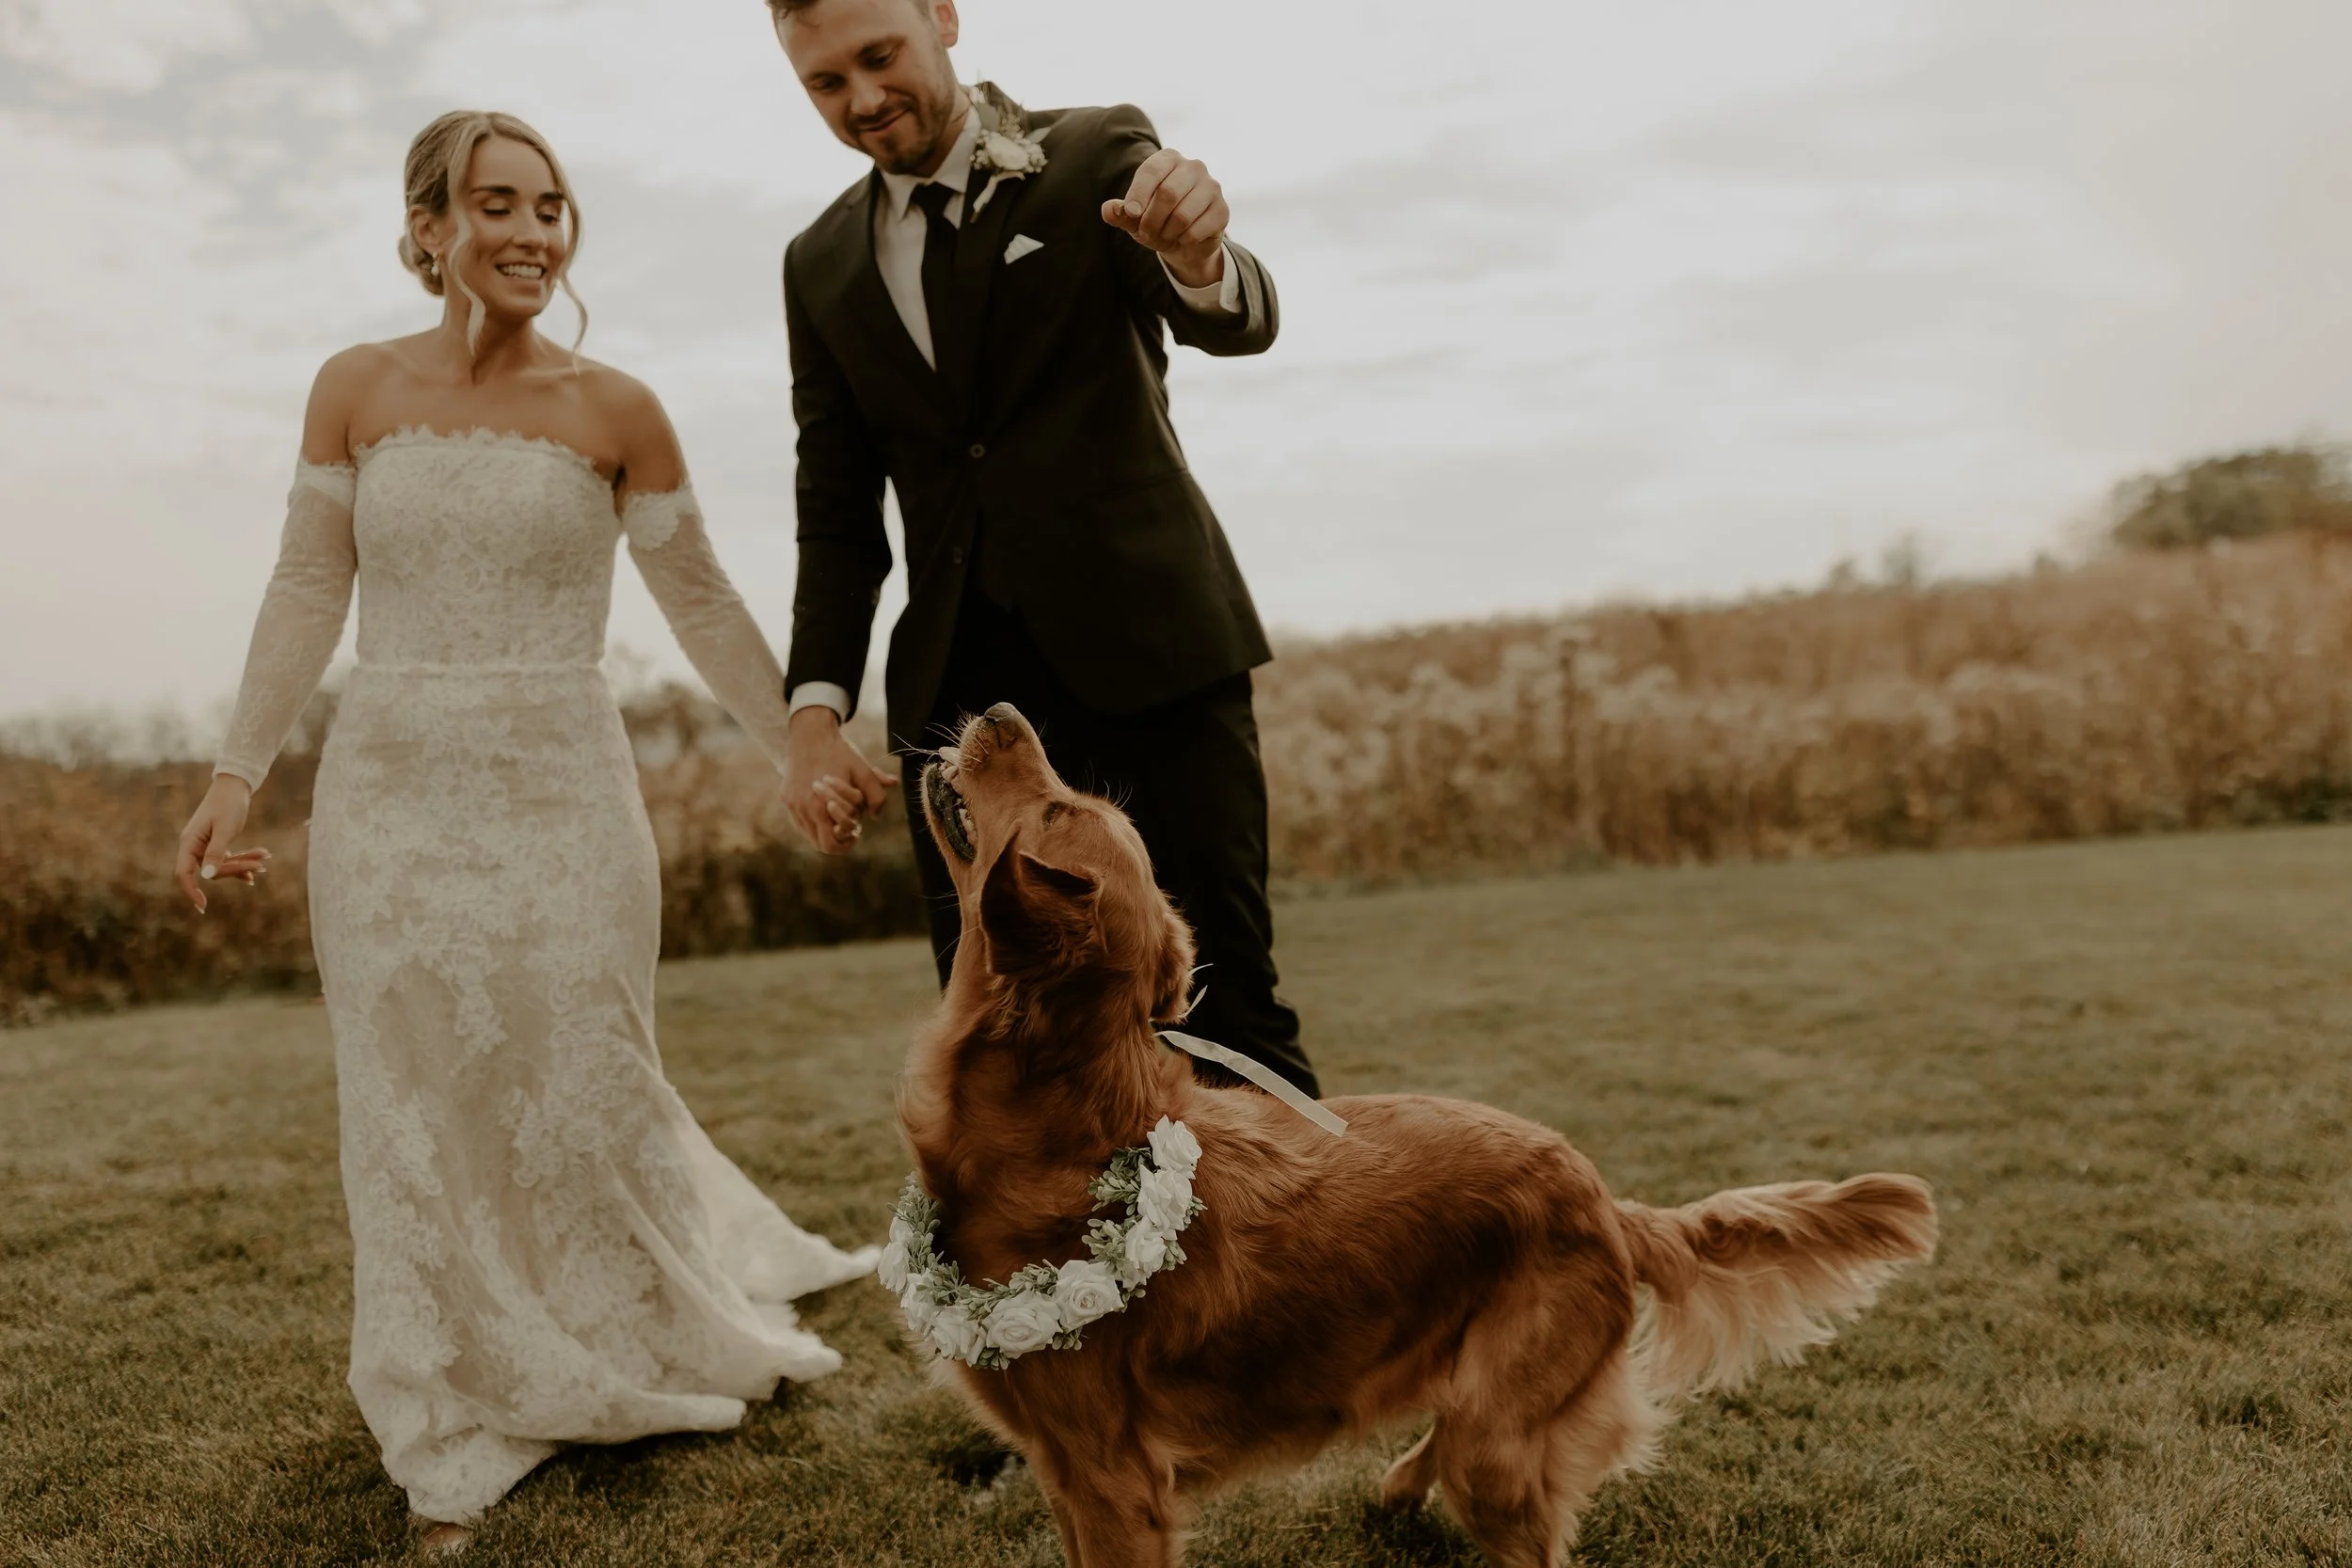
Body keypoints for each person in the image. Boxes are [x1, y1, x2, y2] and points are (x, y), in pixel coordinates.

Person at [172, 110, 875, 1554]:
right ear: (428, 225)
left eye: (553, 209)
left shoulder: (617, 408)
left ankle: (628, 1322)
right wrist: (238, 774)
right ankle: (451, 1391)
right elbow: (308, 584)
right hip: (391, 793)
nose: (532, 234)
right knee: (411, 1096)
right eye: (496, 205)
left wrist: (802, 744)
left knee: (584, 1068)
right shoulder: (351, 390)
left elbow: (704, 604)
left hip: (565, 789)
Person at [768, 0, 1318, 1097]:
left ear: (942, 18)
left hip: (1153, 658)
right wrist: (813, 718)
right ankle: (1050, 1278)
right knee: (1003, 1041)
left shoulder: (1092, 150)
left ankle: (1294, 1270)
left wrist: (1202, 255)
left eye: (880, 57)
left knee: (1221, 1010)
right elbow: (836, 510)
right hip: (959, 715)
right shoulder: (818, 262)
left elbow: (1227, 314)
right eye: (826, 83)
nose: (864, 100)